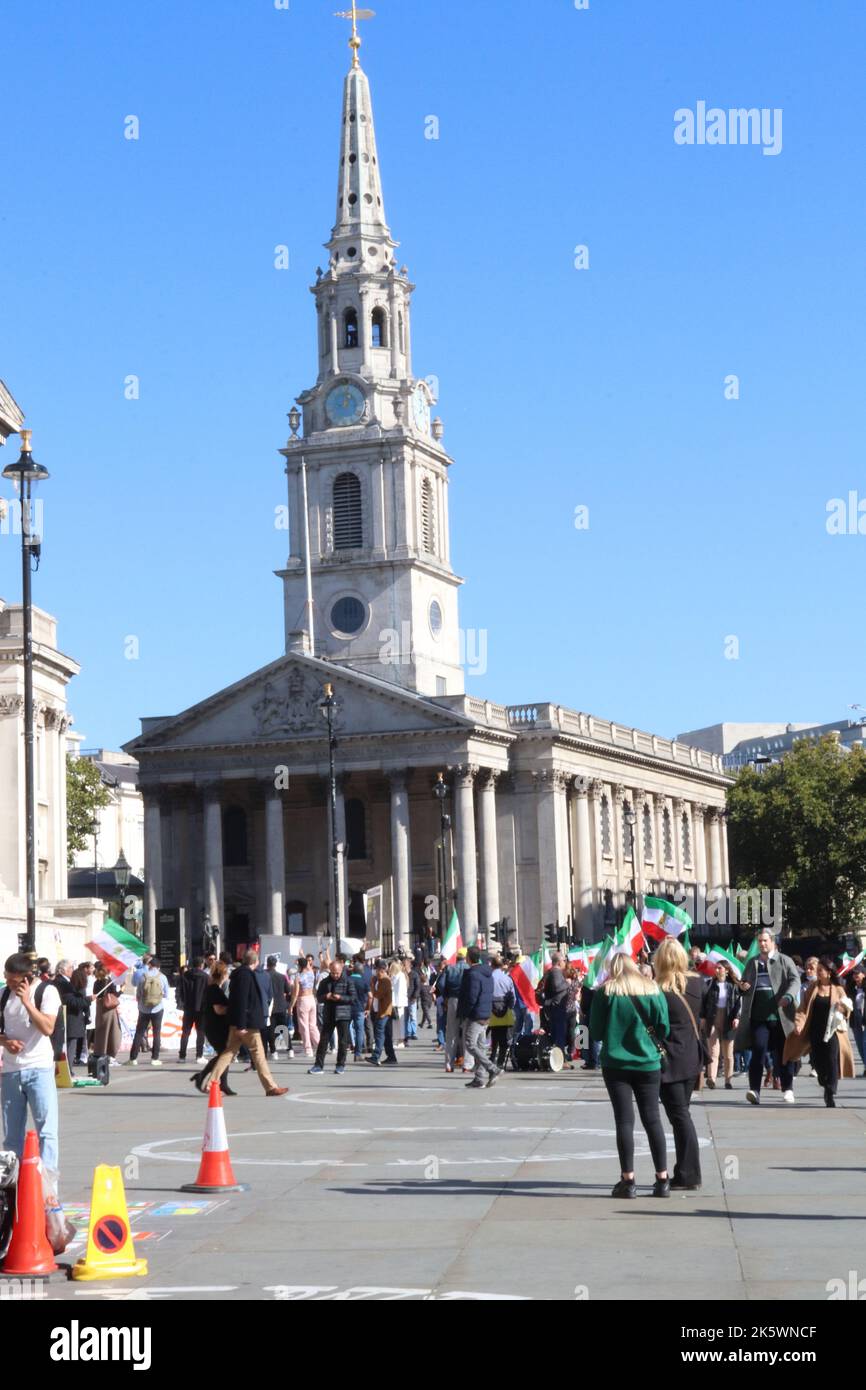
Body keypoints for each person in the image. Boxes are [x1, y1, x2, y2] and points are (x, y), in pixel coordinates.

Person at [589, 952, 671, 1198]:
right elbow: (664, 1027)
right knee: (653, 1119)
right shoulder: (652, 989)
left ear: (613, 969)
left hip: (616, 1064)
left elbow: (595, 1031)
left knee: (624, 1121)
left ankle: (628, 1180)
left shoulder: (606, 992)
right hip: (648, 1063)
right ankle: (663, 1179)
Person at [0, 953, 61, 1178]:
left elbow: (47, 1028)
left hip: (39, 1068)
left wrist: (26, 1002)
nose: (10, 984)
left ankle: (48, 1186)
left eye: (15, 982)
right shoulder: (3, 994)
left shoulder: (47, 991)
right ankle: (13, 1188)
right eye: (7, 979)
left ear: (27, 978)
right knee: (12, 1135)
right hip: (11, 1071)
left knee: (46, 1130)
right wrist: (6, 1042)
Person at [653, 938, 704, 1191]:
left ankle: (689, 1173)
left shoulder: (659, 988)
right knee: (682, 1113)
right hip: (692, 1056)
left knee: (680, 1116)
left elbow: (656, 1025)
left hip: (670, 1057)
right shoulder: (697, 982)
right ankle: (684, 1170)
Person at [207, 950, 288, 1097]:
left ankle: (210, 1083)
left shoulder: (240, 974)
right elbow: (242, 1000)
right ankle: (270, 1087)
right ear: (255, 962)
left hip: (240, 1021)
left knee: (228, 1053)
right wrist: (242, 1025)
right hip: (247, 1023)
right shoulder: (245, 975)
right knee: (258, 1054)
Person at [735, 929, 800, 1105]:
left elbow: (795, 981)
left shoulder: (784, 960)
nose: (762, 944)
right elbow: (743, 984)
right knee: (758, 1050)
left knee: (783, 1054)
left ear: (772, 941)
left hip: (780, 1016)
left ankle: (788, 1088)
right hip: (758, 1016)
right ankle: (754, 1090)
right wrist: (742, 987)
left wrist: (788, 996)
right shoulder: (752, 963)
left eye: (765, 941)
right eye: (759, 941)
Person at [783, 958, 855, 1107]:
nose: (818, 973)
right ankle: (823, 1081)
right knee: (817, 1061)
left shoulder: (838, 989)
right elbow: (803, 1008)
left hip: (833, 1032)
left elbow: (848, 1007)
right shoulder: (812, 988)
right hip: (815, 1031)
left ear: (829, 973)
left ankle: (830, 1091)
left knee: (832, 1060)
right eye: (818, 970)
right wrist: (799, 1024)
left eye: (820, 970)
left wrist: (842, 1007)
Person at [457, 947, 498, 1089]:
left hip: (476, 1014)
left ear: (469, 958)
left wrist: (464, 1013)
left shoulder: (473, 974)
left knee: (470, 1044)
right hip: (485, 1013)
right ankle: (479, 1078)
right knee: (481, 1046)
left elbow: (471, 997)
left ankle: (492, 1068)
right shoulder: (488, 973)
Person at [192, 960, 235, 1096]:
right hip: (215, 1027)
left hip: (215, 1026)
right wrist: (233, 1008)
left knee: (224, 1055)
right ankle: (203, 1076)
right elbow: (219, 1010)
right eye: (226, 973)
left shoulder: (214, 988)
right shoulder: (214, 990)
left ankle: (223, 1083)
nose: (227, 975)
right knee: (224, 1055)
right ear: (223, 974)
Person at [309, 960, 357, 1075]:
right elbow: (319, 997)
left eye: (337, 973)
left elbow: (353, 998)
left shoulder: (348, 981)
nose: (335, 975)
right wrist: (327, 996)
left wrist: (340, 997)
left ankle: (340, 1065)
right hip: (329, 1013)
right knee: (324, 1040)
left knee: (343, 1041)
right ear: (330, 971)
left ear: (341, 971)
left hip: (343, 1014)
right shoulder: (325, 982)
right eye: (333, 973)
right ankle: (318, 1065)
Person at [701, 961, 741, 1090]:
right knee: (713, 1051)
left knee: (728, 1054)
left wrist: (737, 1017)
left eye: (720, 968)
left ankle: (728, 1080)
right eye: (716, 968)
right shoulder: (710, 984)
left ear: (727, 970)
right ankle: (711, 1079)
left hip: (728, 1019)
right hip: (712, 1018)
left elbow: (738, 1004)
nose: (717, 970)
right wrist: (702, 1018)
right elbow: (704, 1002)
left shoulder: (733, 986)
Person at [127, 958, 169, 1066]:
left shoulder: (143, 976)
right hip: (158, 1008)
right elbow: (166, 994)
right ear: (158, 966)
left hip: (143, 1009)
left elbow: (139, 993)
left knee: (139, 1032)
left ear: (150, 965)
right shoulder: (162, 977)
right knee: (156, 1033)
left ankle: (133, 1059)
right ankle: (155, 1058)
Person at [437, 948, 468, 1073]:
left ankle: (449, 1065)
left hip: (452, 1000)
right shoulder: (468, 969)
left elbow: (441, 984)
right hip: (466, 1001)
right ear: (466, 958)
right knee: (467, 1033)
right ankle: (467, 1065)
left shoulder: (449, 968)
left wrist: (446, 996)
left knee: (451, 1033)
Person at [177, 956, 209, 1063]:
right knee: (200, 1032)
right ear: (202, 965)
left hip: (188, 1008)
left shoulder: (185, 976)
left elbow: (180, 991)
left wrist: (182, 1003)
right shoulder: (206, 977)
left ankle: (182, 1056)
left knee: (185, 1032)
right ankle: (199, 1055)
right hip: (201, 1008)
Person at [367, 960, 398, 1066]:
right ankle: (391, 1056)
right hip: (380, 1010)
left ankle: (376, 1056)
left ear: (381, 970)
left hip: (384, 1011)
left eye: (376, 969)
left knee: (379, 1034)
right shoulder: (379, 979)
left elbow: (378, 995)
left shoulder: (385, 980)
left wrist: (371, 988)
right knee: (387, 1035)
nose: (375, 971)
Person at [488, 955, 516, 1072]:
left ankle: (491, 1059)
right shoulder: (508, 979)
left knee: (494, 1038)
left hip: (492, 1013)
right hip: (505, 1012)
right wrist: (509, 1007)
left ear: (492, 965)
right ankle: (500, 1062)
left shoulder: (489, 978)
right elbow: (513, 998)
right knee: (504, 1039)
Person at [91, 964, 122, 1065]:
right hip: (109, 1010)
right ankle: (109, 1055)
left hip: (100, 1009)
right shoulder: (108, 981)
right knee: (113, 1032)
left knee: (101, 1032)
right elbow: (114, 995)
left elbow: (97, 993)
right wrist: (121, 991)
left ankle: (100, 1053)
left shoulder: (96, 982)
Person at [266, 957, 294, 1059]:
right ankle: (290, 1049)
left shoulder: (265, 976)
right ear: (276, 964)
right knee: (284, 1028)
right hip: (281, 1005)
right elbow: (288, 990)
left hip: (270, 1006)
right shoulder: (282, 976)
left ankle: (274, 1052)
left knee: (271, 1030)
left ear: (267, 964)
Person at [294, 955, 320, 1058]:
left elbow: (295, 993)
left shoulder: (299, 977)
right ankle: (319, 1045)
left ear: (300, 966)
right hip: (311, 999)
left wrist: (291, 1005)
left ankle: (308, 1050)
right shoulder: (311, 973)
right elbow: (308, 965)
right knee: (313, 1025)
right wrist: (302, 955)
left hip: (303, 1000)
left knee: (304, 1026)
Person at [542, 952, 569, 1050]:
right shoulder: (555, 972)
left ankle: (557, 1057)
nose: (565, 963)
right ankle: (560, 1058)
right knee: (559, 1034)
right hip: (556, 1007)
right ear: (558, 962)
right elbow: (557, 987)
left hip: (554, 1007)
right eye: (564, 961)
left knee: (557, 1033)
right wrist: (567, 983)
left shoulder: (552, 971)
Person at [65, 965, 90, 1068]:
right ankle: (69, 1069)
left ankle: (72, 1065)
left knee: (72, 1045)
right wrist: (88, 1000)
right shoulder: (76, 990)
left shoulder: (72, 988)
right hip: (74, 1020)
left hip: (75, 1020)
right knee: (72, 1046)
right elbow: (78, 1003)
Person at [348, 956, 370, 1062]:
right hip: (360, 1008)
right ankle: (357, 1054)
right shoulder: (364, 981)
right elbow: (370, 996)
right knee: (359, 1031)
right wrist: (368, 1008)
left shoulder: (348, 979)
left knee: (345, 1029)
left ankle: (343, 1051)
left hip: (347, 1007)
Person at [846, 966, 866, 1076]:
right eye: (854, 974)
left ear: (864, 974)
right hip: (855, 1020)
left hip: (865, 1019)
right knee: (859, 1045)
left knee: (865, 1043)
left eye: (858, 973)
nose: (856, 975)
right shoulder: (850, 988)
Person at [389, 959, 408, 1048]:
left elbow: (401, 990)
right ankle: (396, 1039)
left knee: (400, 1021)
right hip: (394, 1001)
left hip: (399, 1002)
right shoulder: (394, 976)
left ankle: (401, 1040)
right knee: (395, 1022)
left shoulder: (401, 976)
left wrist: (395, 1002)